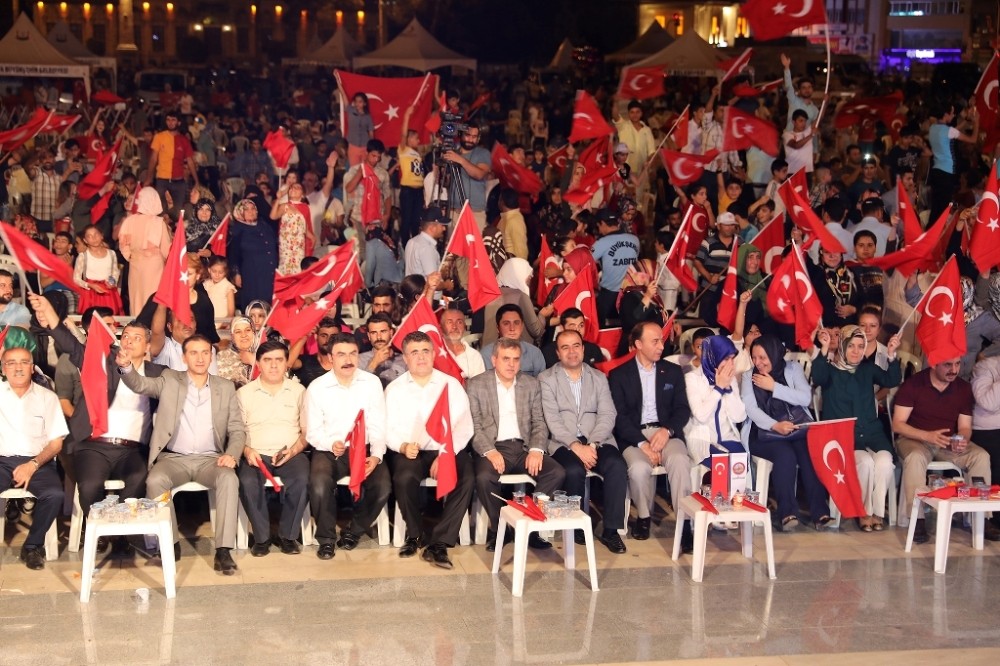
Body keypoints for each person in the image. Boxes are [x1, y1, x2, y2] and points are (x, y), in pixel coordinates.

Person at [33, 294, 164, 551]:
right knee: (90, 485)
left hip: (132, 449)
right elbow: (71, 345)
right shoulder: (103, 363)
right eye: (126, 336)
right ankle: (101, 532)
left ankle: (119, 533)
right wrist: (50, 315)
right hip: (94, 445)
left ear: (148, 347)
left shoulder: (159, 374)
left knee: (139, 478)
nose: (129, 341)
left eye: (137, 338)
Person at [116, 334, 245, 574]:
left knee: (229, 478)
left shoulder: (225, 387)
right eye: (193, 353)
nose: (200, 358)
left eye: (205, 352)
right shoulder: (170, 379)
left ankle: (224, 550)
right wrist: (125, 367)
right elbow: (141, 384)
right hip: (174, 458)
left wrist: (232, 453)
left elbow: (237, 429)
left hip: (210, 459)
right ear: (184, 357)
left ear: (211, 356)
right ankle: (169, 544)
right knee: (155, 480)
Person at [384, 332, 475, 569]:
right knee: (403, 478)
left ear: (434, 354)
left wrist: (447, 454)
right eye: (414, 352)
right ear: (405, 357)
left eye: (425, 350)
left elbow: (464, 427)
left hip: (447, 448)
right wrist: (402, 446)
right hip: (410, 451)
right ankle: (415, 535)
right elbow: (386, 428)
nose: (421, 357)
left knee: (467, 478)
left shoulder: (450, 384)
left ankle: (440, 542)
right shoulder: (395, 389)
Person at [467, 337, 565, 551]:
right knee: (484, 478)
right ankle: (500, 528)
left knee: (556, 472)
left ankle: (528, 525)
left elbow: (539, 422)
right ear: (494, 360)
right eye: (506, 359)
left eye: (516, 359)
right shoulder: (476, 384)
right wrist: (489, 451)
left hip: (523, 448)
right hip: (493, 447)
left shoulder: (531, 384)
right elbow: (474, 426)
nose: (511, 364)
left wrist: (537, 450)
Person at [539, 329, 628, 553]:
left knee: (617, 466)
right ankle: (577, 525)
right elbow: (552, 420)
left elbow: (608, 414)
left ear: (583, 348)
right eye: (565, 347)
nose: (572, 352)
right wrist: (576, 446)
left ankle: (611, 531)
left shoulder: (598, 377)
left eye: (576, 346)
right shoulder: (547, 379)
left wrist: (592, 444)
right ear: (558, 353)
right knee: (572, 470)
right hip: (563, 442)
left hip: (596, 440)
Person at [892, 356, 997, 544]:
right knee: (915, 457)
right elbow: (898, 425)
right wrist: (927, 436)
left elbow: (964, 427)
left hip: (947, 441)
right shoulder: (914, 384)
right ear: (934, 363)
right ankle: (918, 519)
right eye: (948, 364)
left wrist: (962, 439)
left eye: (957, 364)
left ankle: (982, 517)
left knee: (981, 456)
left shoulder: (963, 388)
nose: (954, 370)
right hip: (914, 438)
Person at [305, 333, 391, 559]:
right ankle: (326, 539)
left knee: (382, 486)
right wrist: (330, 444)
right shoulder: (317, 387)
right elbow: (312, 432)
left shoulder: (371, 383)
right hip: (330, 450)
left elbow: (378, 423)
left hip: (363, 448)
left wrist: (377, 455)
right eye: (341, 354)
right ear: (330, 357)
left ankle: (354, 530)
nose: (348, 359)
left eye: (353, 353)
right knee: (319, 483)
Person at [608, 321, 692, 548]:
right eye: (655, 341)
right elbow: (619, 417)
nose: (661, 346)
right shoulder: (619, 375)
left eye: (662, 341)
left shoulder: (672, 372)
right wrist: (642, 443)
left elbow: (682, 409)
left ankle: (685, 525)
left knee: (680, 460)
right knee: (638, 468)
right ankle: (644, 517)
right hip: (634, 435)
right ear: (638, 344)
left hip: (666, 433)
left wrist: (667, 430)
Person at [812, 326, 901, 531]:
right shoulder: (831, 370)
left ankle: (877, 511)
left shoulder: (867, 368)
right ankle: (863, 512)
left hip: (872, 432)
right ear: (842, 345)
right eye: (851, 345)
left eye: (861, 346)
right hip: (844, 437)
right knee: (867, 463)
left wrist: (891, 355)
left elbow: (891, 380)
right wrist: (824, 349)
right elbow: (818, 377)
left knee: (885, 462)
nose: (856, 351)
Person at [741, 334, 825, 531]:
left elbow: (805, 398)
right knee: (785, 455)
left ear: (774, 353)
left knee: (808, 453)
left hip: (794, 429)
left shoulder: (793, 369)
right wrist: (775, 425)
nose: (758, 363)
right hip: (763, 433)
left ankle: (820, 511)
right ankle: (787, 513)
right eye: (754, 357)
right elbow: (750, 409)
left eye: (763, 357)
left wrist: (774, 387)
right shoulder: (748, 376)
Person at [236, 340, 310, 556]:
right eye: (268, 360)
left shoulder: (299, 391)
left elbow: (307, 432)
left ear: (287, 363)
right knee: (247, 481)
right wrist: (247, 451)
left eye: (279, 360)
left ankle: (288, 536)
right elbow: (236, 431)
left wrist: (295, 449)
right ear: (258, 363)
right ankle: (262, 537)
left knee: (303, 479)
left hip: (291, 452)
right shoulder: (245, 392)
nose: (274, 365)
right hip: (255, 454)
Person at [0, 345, 67, 569]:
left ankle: (32, 545)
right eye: (11, 363)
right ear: (3, 368)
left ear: (32, 367)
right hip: (1, 460)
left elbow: (57, 443)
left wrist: (33, 464)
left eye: (23, 362)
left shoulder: (47, 397)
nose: (18, 368)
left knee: (54, 494)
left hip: (37, 462)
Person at [118, 187, 172, 316]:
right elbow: (166, 249)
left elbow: (123, 246)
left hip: (135, 264)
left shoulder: (129, 221)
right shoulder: (158, 223)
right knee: (153, 298)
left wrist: (132, 257)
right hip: (154, 266)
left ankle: (137, 328)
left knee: (136, 299)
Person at [344, 139, 391, 261]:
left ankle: (371, 277)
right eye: (373, 155)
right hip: (358, 217)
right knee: (360, 250)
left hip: (376, 217)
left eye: (378, 157)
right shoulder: (355, 170)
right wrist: (361, 172)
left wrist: (387, 215)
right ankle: (362, 277)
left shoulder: (383, 173)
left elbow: (387, 196)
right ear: (367, 153)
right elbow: (349, 188)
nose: (375, 159)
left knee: (375, 250)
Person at [229, 197, 279, 311]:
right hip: (252, 274)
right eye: (246, 209)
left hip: (270, 272)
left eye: (253, 208)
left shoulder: (264, 225)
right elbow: (234, 254)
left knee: (269, 304)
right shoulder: (238, 230)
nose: (251, 211)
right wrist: (236, 274)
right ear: (240, 212)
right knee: (254, 304)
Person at [482, 259, 545, 347]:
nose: (530, 280)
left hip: (490, 351)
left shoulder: (491, 295)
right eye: (527, 276)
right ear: (519, 275)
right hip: (517, 352)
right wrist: (543, 315)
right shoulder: (521, 297)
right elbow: (536, 331)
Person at [591, 209, 640, 325]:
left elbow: (586, 260)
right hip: (632, 292)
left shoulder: (601, 243)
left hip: (609, 294)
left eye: (598, 226)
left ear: (602, 223)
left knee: (600, 326)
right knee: (630, 326)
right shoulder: (634, 239)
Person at [149, 111, 200, 215]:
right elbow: (153, 158)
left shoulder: (184, 140)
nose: (170, 122)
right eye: (168, 120)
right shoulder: (159, 137)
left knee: (178, 213)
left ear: (179, 123)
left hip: (179, 181)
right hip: (162, 180)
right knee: (160, 211)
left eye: (173, 120)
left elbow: (190, 161)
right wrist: (149, 177)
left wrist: (196, 180)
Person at [442, 125, 491, 229]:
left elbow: (479, 174)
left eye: (474, 137)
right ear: (460, 135)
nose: (470, 139)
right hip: (453, 211)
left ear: (478, 139)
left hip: (475, 212)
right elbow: (445, 182)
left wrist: (460, 160)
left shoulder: (483, 153)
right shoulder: (452, 151)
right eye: (468, 135)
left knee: (473, 245)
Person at [480, 305, 546, 377]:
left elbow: (540, 384)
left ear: (522, 326)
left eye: (516, 323)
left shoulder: (535, 353)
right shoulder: (486, 354)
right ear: (497, 328)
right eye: (506, 323)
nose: (512, 328)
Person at [73, 225, 122, 316]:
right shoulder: (83, 256)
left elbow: (115, 271)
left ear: (101, 236)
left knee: (109, 317)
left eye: (96, 234)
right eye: (89, 236)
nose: (94, 238)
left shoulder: (111, 254)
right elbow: (76, 278)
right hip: (91, 293)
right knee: (91, 319)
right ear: (85, 240)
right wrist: (90, 285)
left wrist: (112, 282)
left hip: (108, 292)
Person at [358, 312, 408, 387]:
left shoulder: (404, 360)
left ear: (391, 333)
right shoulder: (358, 360)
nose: (379, 337)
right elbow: (357, 389)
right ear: (368, 336)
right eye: (374, 333)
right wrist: (373, 363)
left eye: (383, 331)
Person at [439, 306, 486, 379]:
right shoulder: (434, 352)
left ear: (465, 327)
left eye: (459, 322)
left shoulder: (474, 356)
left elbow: (479, 387)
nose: (454, 327)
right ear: (440, 327)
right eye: (449, 322)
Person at [403, 208, 446, 277]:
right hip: (423, 287)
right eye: (442, 225)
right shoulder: (427, 248)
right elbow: (432, 282)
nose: (444, 228)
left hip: (411, 287)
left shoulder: (411, 241)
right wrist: (447, 285)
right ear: (432, 228)